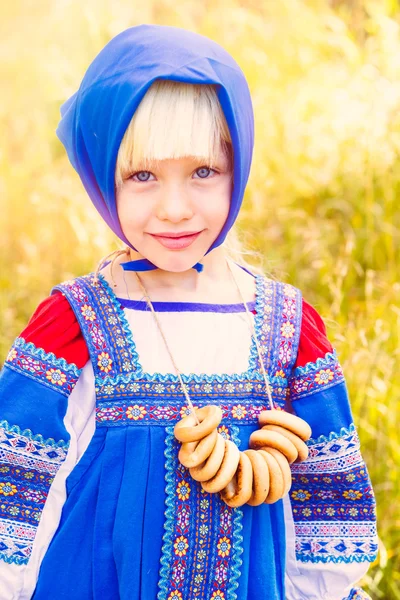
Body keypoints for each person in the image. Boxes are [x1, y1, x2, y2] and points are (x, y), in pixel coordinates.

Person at [0, 24, 377, 600]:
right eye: (142, 176)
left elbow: (332, 510)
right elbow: (16, 500)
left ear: (237, 167)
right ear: (103, 179)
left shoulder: (287, 328)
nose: (174, 209)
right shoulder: (73, 325)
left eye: (203, 172)